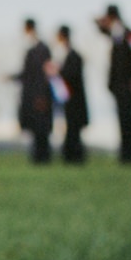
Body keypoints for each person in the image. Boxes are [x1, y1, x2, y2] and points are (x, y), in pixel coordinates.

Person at [95, 4, 131, 163]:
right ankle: (127, 153)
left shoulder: (129, 34)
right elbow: (99, 28)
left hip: (129, 85)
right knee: (123, 119)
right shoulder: (115, 34)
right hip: (118, 85)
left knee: (128, 119)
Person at [13, 18, 53, 164]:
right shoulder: (32, 49)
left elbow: (43, 75)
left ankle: (43, 157)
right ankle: (38, 156)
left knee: (41, 127)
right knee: (35, 128)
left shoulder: (42, 49)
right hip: (32, 95)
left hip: (39, 95)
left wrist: (42, 95)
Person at [53, 25, 89, 164]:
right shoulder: (68, 54)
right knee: (71, 127)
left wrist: (58, 71)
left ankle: (74, 156)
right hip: (69, 98)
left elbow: (71, 77)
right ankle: (71, 156)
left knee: (74, 128)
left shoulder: (73, 56)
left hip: (74, 99)